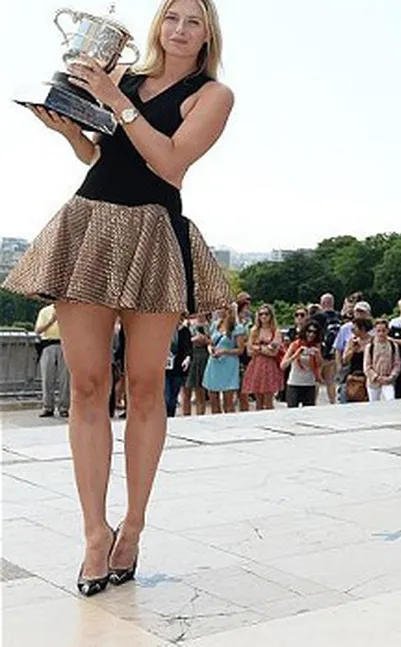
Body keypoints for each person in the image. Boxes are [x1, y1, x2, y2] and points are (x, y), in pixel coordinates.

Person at [0, 0, 233, 596]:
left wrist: (116, 100)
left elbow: (171, 164)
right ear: (159, 25)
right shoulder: (122, 79)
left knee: (147, 386)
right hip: (90, 223)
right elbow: (102, 154)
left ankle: (132, 526)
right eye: (172, 17)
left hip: (154, 230)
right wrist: (71, 130)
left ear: (208, 34)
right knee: (86, 386)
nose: (180, 29)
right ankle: (93, 535)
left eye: (193, 21)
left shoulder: (211, 96)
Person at [34, 303, 70, 418]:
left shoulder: (69, 311)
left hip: (65, 344)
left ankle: (64, 407)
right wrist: (52, 320)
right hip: (48, 344)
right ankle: (47, 407)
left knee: (65, 379)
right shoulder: (45, 311)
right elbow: (38, 330)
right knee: (47, 377)